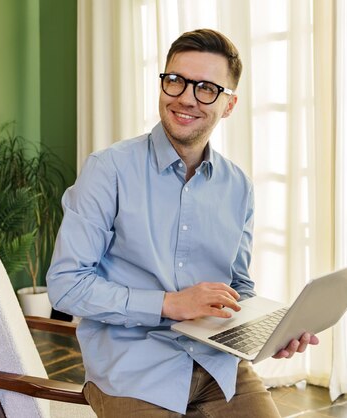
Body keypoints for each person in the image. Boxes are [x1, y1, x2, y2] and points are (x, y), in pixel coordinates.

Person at [47, 28, 319, 418]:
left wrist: (268, 333)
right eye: (176, 81)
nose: (186, 98)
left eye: (206, 88)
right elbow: (65, 285)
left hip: (217, 365)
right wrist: (170, 304)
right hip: (131, 368)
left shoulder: (238, 186)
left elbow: (237, 287)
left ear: (229, 105)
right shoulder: (108, 170)